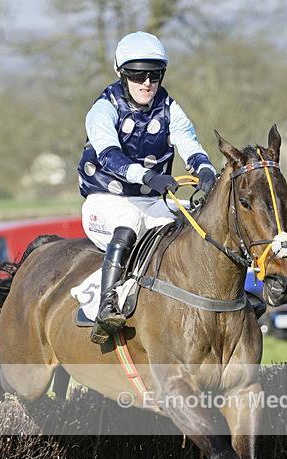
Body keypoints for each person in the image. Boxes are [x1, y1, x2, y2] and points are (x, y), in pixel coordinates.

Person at [78, 30, 217, 344]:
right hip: (105, 199)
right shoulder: (103, 109)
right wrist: (149, 177)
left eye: (154, 74)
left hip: (150, 202)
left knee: (188, 235)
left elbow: (188, 142)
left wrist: (205, 168)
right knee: (127, 226)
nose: (147, 83)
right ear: (120, 73)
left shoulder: (169, 107)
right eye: (138, 74)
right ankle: (106, 305)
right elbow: (110, 156)